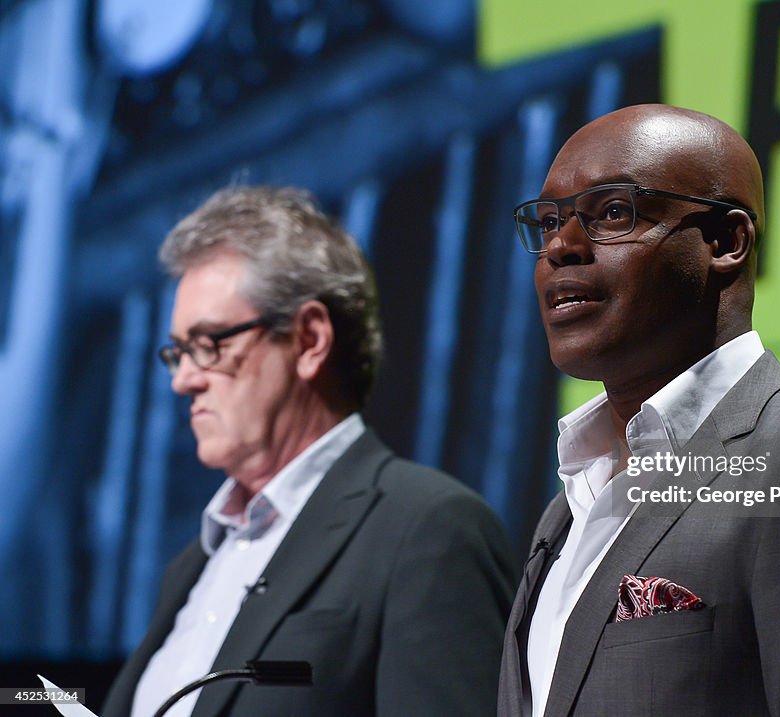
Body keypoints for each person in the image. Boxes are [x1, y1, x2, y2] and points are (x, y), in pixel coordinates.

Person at [498, 105, 780, 716]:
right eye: (550, 221)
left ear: (726, 242)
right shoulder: (569, 506)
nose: (561, 246)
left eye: (611, 212)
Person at [102, 186, 516, 717]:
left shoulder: (428, 529)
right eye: (178, 353)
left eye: (208, 346)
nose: (183, 380)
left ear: (310, 340)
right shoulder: (193, 563)